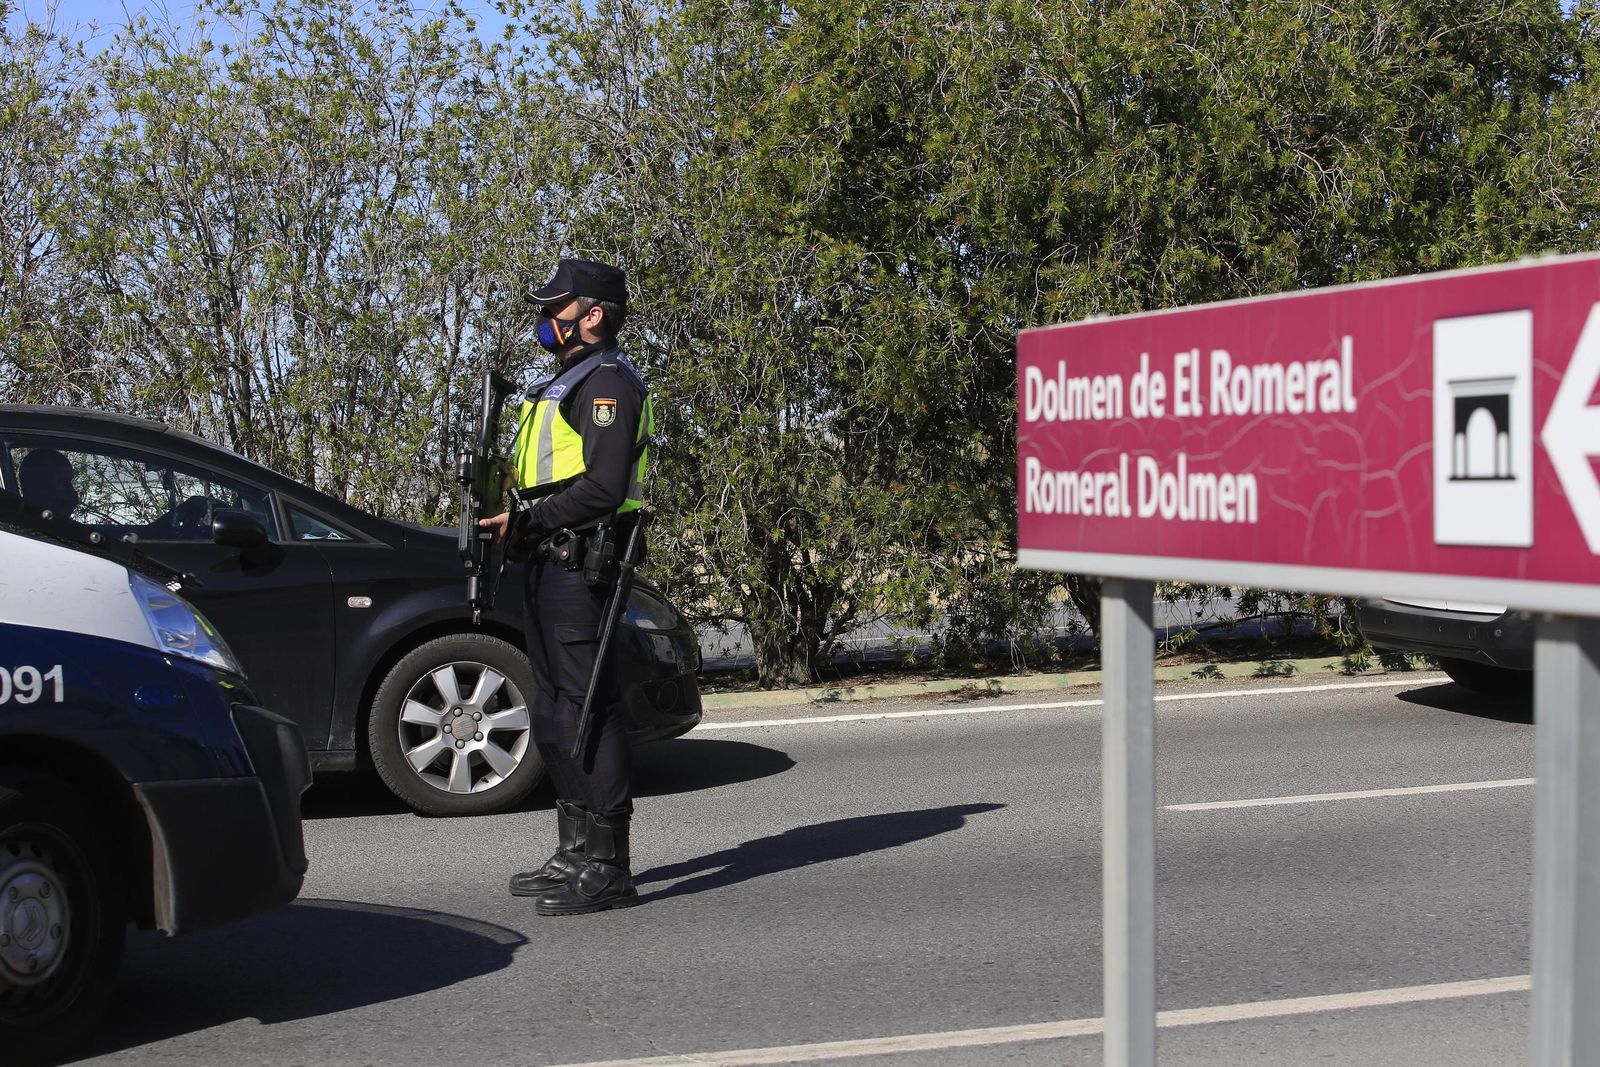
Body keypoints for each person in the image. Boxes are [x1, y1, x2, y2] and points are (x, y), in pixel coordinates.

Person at [480, 258, 654, 916]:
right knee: (554, 711)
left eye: (557, 308)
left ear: (594, 315)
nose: (546, 320)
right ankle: (575, 849)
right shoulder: (562, 382)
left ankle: (610, 866)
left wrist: (530, 518)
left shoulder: (609, 382)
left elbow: (605, 488)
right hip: (544, 562)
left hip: (582, 566)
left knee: (588, 711)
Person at [16, 449, 81, 520]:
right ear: (40, 486)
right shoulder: (22, 525)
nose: (72, 493)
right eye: (63, 482)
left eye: (69, 482)